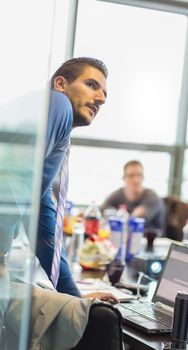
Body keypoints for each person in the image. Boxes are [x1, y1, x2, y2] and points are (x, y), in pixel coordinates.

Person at [36, 57, 118, 301]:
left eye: (104, 93)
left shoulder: (52, 136)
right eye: (92, 85)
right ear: (60, 84)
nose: (102, 98)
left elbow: (44, 226)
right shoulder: (58, 104)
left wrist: (74, 298)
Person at [101, 160, 166, 232]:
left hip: (152, 240)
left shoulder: (152, 196)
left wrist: (117, 216)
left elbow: (137, 217)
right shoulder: (117, 194)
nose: (136, 180)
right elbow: (103, 209)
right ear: (124, 178)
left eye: (139, 175)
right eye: (131, 176)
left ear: (143, 177)